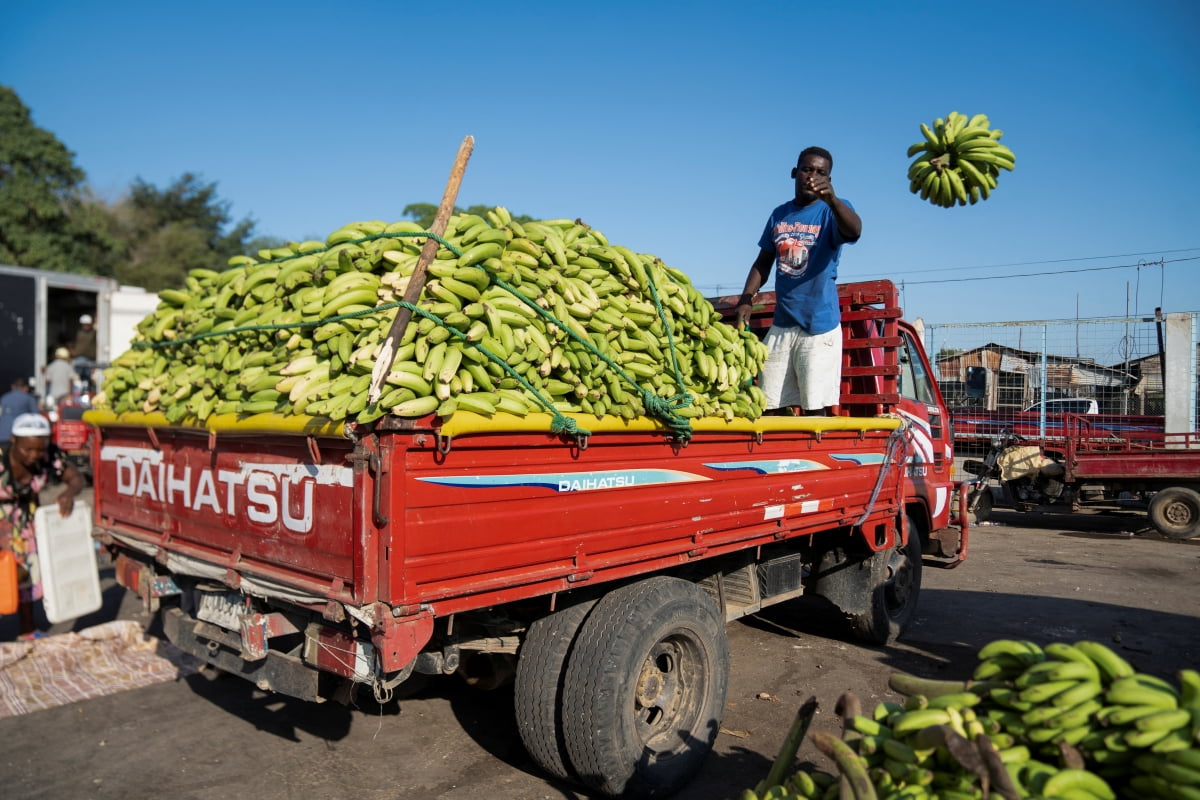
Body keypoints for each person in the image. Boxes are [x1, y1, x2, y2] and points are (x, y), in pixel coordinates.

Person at [735, 146, 862, 416]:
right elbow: (763, 261)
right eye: (807, 170)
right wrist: (746, 298)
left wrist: (834, 200)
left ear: (829, 179)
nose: (812, 177)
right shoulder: (779, 214)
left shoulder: (833, 210)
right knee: (769, 405)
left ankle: (812, 458)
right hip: (783, 322)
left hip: (818, 325)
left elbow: (854, 231)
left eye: (821, 172)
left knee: (814, 407)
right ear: (794, 172)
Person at [0, 413, 85, 639]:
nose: (34, 455)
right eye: (28, 449)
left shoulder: (50, 456)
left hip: (26, 526)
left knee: (26, 576)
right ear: (14, 441)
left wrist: (68, 493)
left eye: (39, 449)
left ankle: (27, 630)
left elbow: (77, 479)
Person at [0, 377, 41, 450]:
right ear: (26, 388)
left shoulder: (4, 398)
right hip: (19, 436)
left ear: (13, 387)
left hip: (2, 436)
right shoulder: (29, 398)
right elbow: (36, 416)